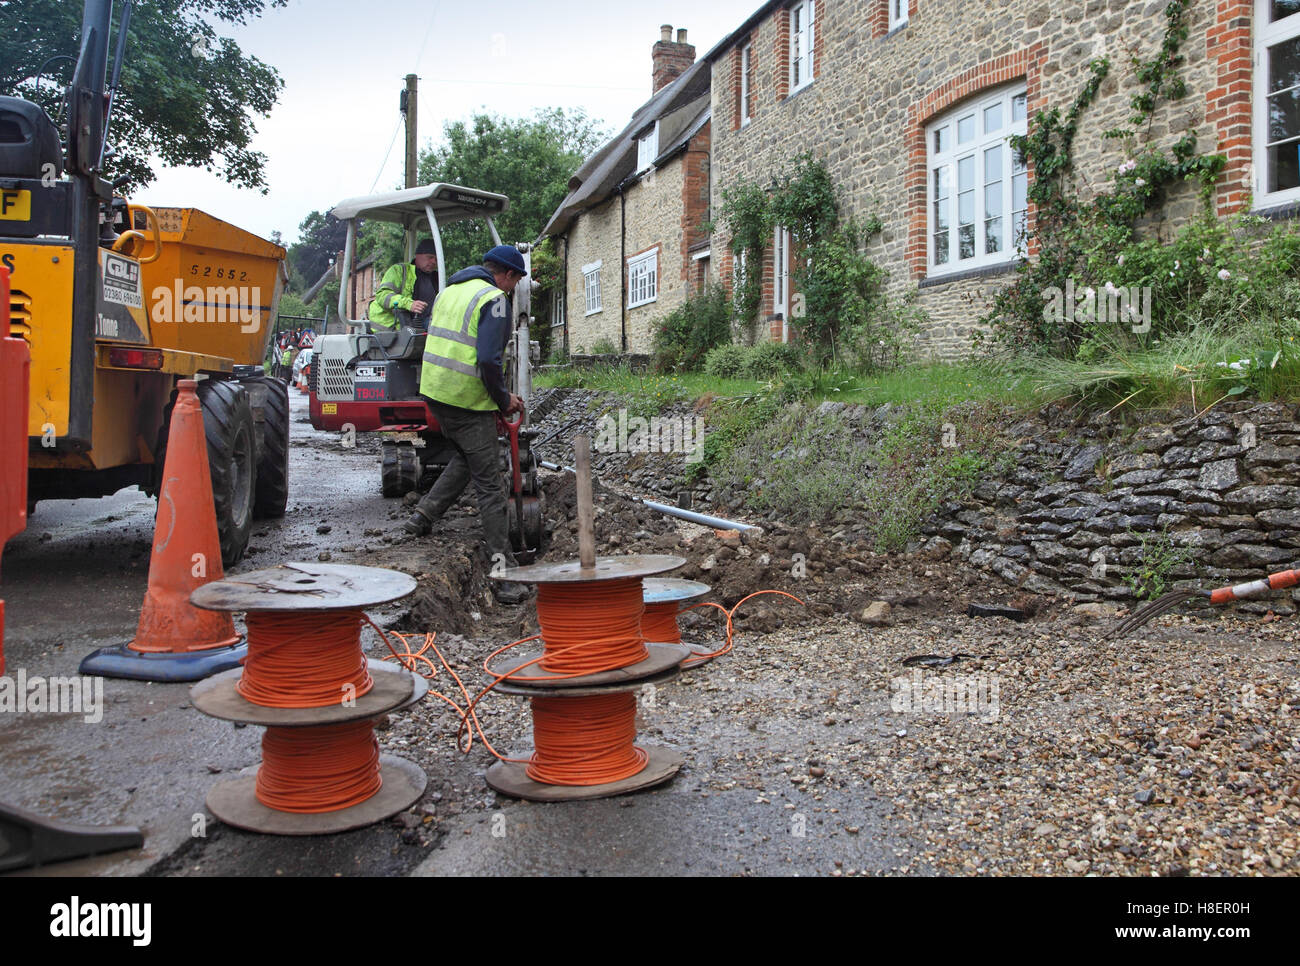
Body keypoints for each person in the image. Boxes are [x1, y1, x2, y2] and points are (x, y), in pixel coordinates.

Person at [398, 245, 530, 605]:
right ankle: (504, 575)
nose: (513, 288)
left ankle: (422, 516)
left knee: (466, 456)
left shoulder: (449, 292)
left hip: (435, 394)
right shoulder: (495, 300)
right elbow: (487, 359)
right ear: (506, 274)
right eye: (515, 280)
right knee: (490, 483)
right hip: (464, 400)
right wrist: (504, 400)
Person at [369, 238, 440, 331]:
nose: (434, 262)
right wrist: (409, 304)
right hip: (394, 328)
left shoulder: (437, 278)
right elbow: (382, 295)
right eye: (430, 257)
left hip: (426, 324)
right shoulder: (399, 271)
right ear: (418, 255)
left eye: (436, 259)